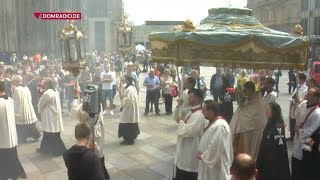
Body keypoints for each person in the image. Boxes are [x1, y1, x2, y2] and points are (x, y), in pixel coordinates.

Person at [173, 89, 206, 180]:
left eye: (190, 96)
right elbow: (176, 117)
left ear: (197, 98)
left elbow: (189, 131)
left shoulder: (199, 115)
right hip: (183, 149)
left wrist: (180, 121)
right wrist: (179, 106)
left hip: (190, 152)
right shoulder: (189, 110)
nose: (188, 98)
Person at [72, 101, 110, 179]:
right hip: (96, 133)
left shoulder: (89, 106)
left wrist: (76, 100)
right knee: (98, 155)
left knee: (93, 157)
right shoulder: (97, 103)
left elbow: (77, 114)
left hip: (89, 133)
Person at [230, 81, 268, 159]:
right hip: (244, 132)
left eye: (245, 90)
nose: (244, 92)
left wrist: (241, 113)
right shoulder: (248, 99)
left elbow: (256, 117)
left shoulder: (258, 102)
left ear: (251, 90)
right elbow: (242, 111)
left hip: (254, 132)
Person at [197, 100, 233, 180]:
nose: (202, 112)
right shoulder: (212, 123)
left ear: (211, 111)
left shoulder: (219, 126)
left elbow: (215, 147)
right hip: (209, 166)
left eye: (204, 110)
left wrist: (202, 156)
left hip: (216, 167)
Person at [256, 102, 291, 180]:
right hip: (266, 159)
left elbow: (279, 148)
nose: (266, 111)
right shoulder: (270, 122)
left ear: (273, 111)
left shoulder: (277, 127)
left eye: (268, 109)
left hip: (273, 162)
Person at [292, 87, 320, 180]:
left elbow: (311, 129)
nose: (306, 95)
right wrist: (296, 103)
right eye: (307, 93)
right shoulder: (303, 104)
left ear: (316, 98)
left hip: (306, 143)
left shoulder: (317, 113)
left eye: (309, 94)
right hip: (297, 138)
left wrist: (299, 131)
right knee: (295, 161)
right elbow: (297, 114)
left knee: (304, 168)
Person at [0, 81, 27, 179]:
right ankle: (15, 173)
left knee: (4, 158)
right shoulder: (10, 100)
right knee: (12, 156)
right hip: (12, 135)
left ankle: (6, 175)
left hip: (2, 137)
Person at [37, 77, 66, 156]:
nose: (43, 84)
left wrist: (38, 109)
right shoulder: (55, 91)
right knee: (47, 134)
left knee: (51, 134)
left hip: (49, 116)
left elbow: (41, 104)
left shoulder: (47, 93)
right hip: (54, 115)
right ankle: (44, 148)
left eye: (44, 83)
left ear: (47, 84)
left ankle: (59, 150)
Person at [12, 75, 41, 143]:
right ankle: (36, 135)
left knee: (20, 126)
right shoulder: (26, 87)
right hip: (28, 107)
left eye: (12, 81)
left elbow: (17, 102)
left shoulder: (17, 89)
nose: (12, 83)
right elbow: (30, 98)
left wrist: (16, 112)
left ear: (16, 81)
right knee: (29, 124)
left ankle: (22, 139)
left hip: (21, 109)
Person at [118, 75, 140, 145]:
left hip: (129, 109)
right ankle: (129, 138)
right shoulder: (130, 87)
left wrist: (123, 98)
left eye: (124, 79)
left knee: (127, 123)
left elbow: (129, 100)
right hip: (130, 109)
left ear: (127, 80)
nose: (123, 80)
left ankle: (129, 140)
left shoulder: (130, 89)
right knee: (129, 122)